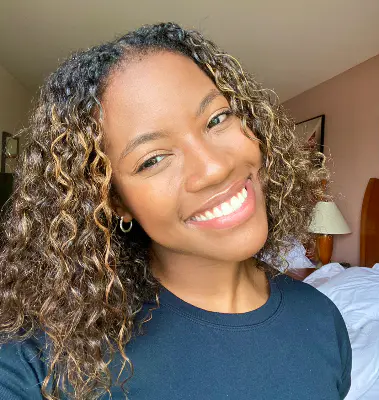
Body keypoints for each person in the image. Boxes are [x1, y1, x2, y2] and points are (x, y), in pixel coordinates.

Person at [0, 23, 351, 400]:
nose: (215, 168)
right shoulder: (41, 361)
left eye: (217, 119)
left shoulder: (322, 319)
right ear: (115, 200)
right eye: (152, 159)